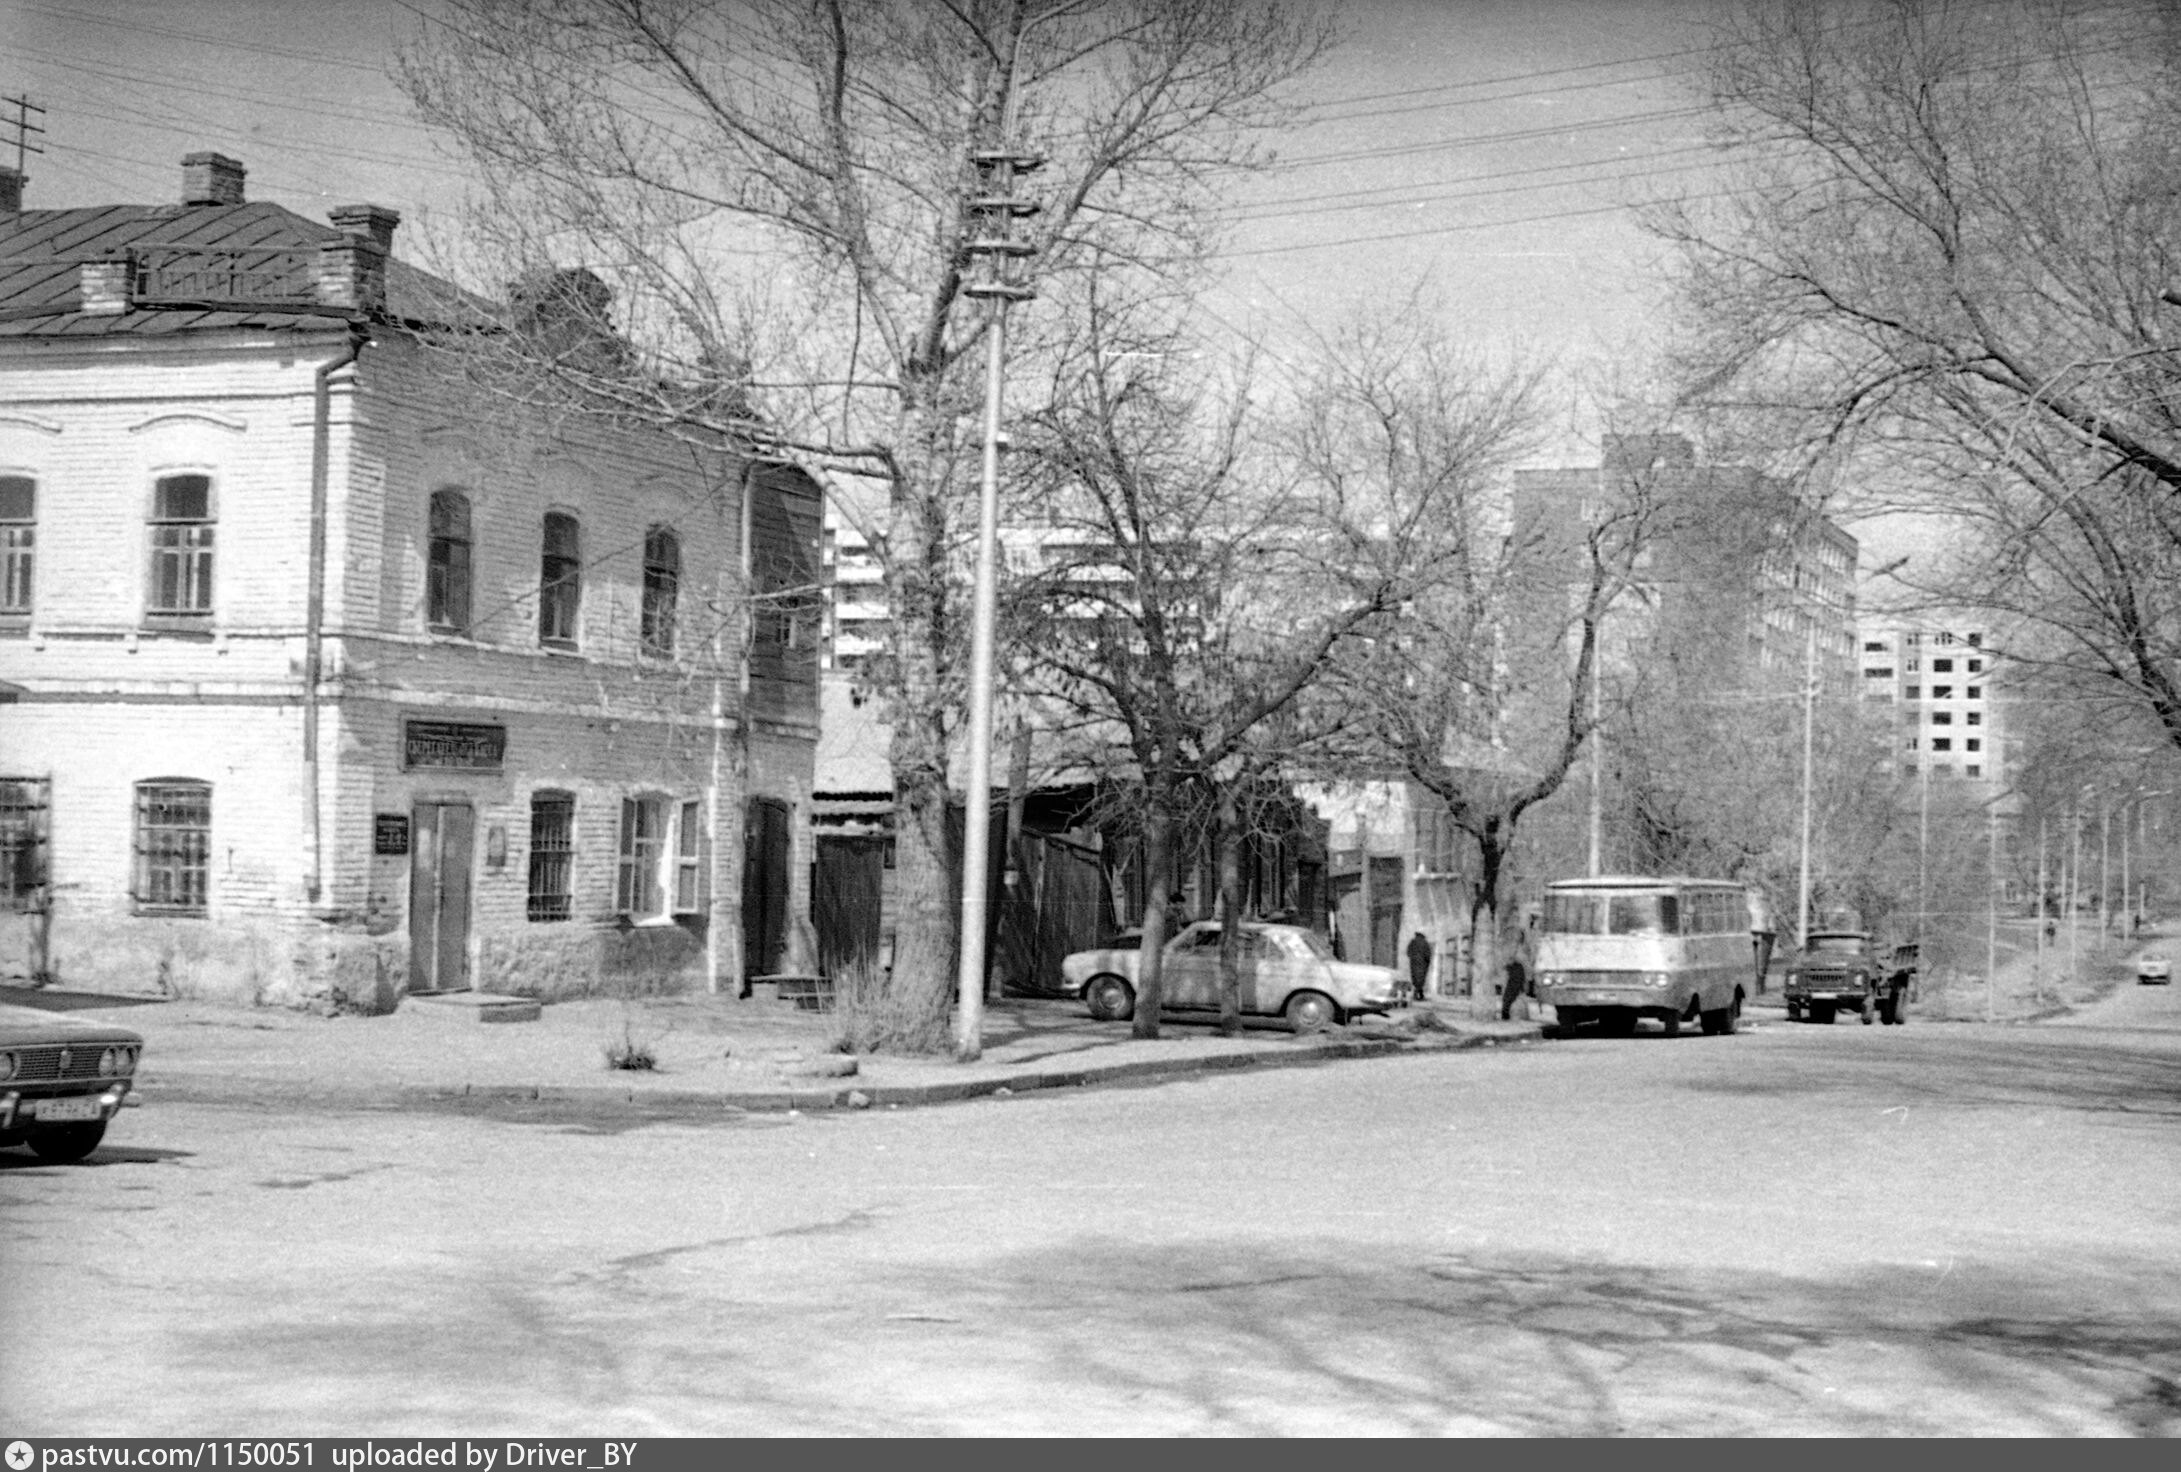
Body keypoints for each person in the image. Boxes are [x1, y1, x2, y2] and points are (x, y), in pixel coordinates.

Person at [1406, 930, 1434, 1004]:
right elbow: (1428, 954)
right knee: (1421, 978)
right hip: (1422, 963)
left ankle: (1418, 993)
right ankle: (1419, 994)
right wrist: (1428, 962)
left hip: (1414, 962)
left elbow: (1408, 952)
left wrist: (1412, 958)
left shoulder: (1412, 942)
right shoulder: (1425, 943)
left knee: (1415, 977)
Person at [1501, 951, 1528, 1020]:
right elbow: (1522, 977)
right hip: (1514, 985)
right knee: (1507, 999)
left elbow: (1521, 977)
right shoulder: (1516, 966)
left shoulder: (1515, 967)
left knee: (1508, 999)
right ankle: (1505, 1014)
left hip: (1514, 985)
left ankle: (1505, 1014)